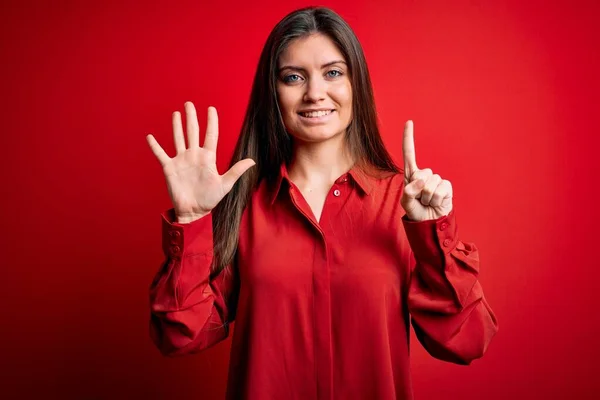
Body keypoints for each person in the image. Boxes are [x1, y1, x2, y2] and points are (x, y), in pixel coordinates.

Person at [146, 6, 498, 400]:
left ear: (355, 85)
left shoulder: (404, 204)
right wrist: (192, 221)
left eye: (333, 73)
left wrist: (432, 238)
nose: (315, 92)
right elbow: (180, 336)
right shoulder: (242, 204)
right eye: (294, 77)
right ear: (273, 91)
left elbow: (467, 341)